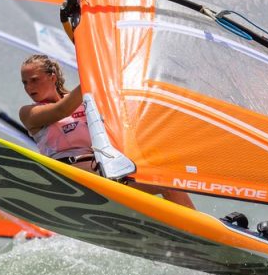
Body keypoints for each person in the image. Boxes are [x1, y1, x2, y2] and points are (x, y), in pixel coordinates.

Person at [19, 54, 195, 208]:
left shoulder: (87, 101)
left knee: (167, 183)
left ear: (52, 77)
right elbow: (61, 111)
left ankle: (198, 230)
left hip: (107, 175)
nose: (29, 87)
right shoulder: (28, 113)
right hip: (72, 179)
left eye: (34, 80)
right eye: (25, 82)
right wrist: (90, 75)